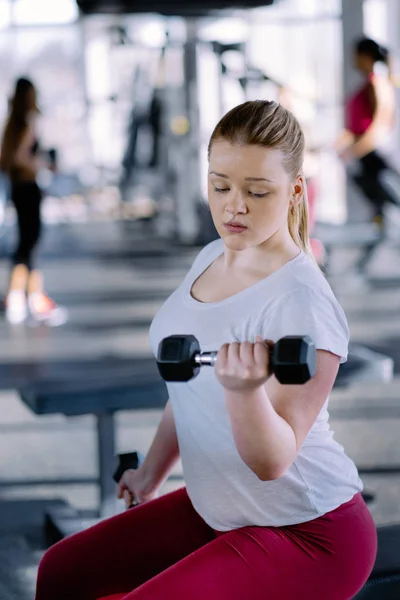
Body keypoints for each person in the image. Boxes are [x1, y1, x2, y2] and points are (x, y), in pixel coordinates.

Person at [35, 100, 377, 600]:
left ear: (295, 191)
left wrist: (244, 393)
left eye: (257, 192)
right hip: (219, 507)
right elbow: (189, 383)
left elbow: (273, 460)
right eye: (220, 186)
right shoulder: (214, 254)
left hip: (307, 529)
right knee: (63, 573)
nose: (233, 206)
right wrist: (152, 470)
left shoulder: (303, 301)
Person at [0, 77, 66, 325]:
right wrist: (41, 164)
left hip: (18, 187)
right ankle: (29, 298)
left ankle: (22, 297)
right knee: (31, 243)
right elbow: (19, 157)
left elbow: (7, 158)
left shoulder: (10, 125)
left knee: (26, 244)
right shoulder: (26, 123)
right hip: (27, 187)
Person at [336, 37, 400, 239]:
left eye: (356, 56)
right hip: (367, 157)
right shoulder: (368, 84)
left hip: (378, 157)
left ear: (366, 57)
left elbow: (380, 126)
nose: (353, 61)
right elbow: (355, 128)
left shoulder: (378, 83)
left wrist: (354, 151)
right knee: (378, 211)